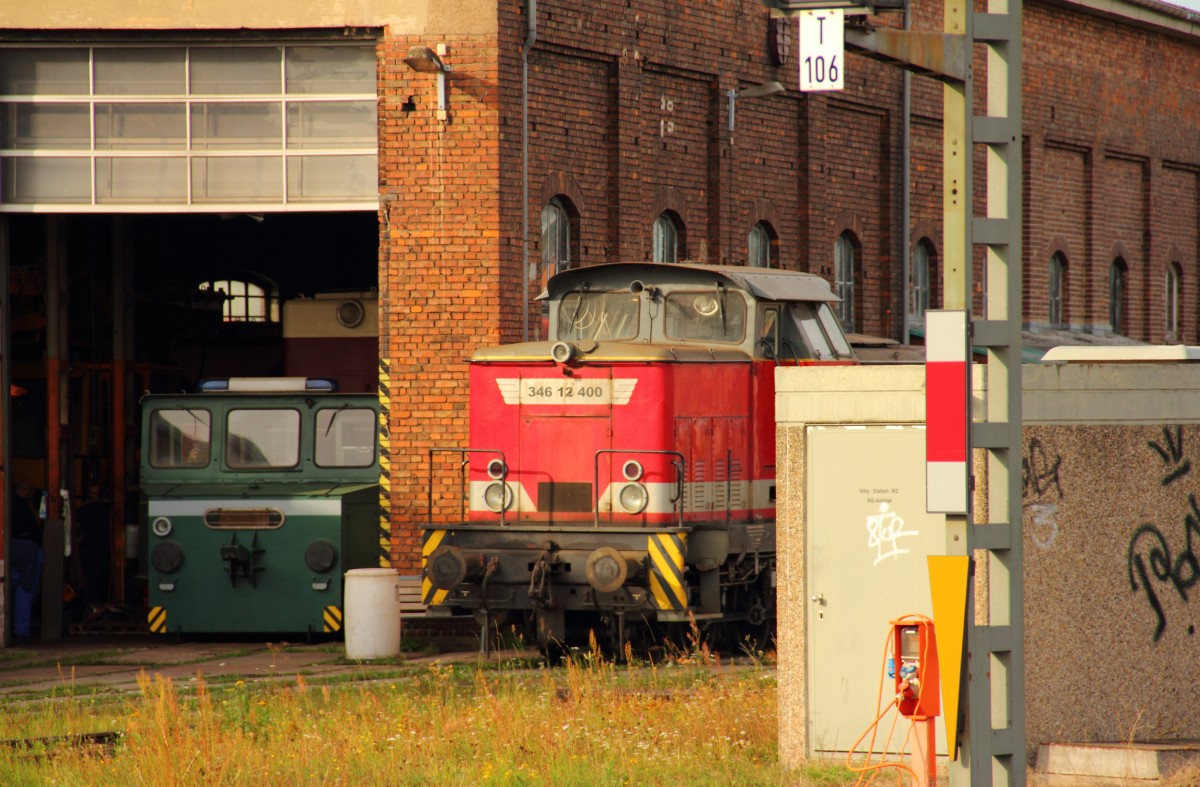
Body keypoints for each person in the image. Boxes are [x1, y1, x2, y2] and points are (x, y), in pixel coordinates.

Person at [10, 481, 43, 644]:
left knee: (22, 589)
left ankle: (20, 632)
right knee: (25, 591)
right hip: (28, 554)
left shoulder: (12, 504)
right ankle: (21, 632)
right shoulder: (22, 507)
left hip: (23, 556)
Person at [74, 482, 113, 614]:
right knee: (101, 583)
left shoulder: (81, 510)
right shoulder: (111, 511)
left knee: (89, 583)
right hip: (103, 551)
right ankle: (100, 609)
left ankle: (87, 610)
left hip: (89, 550)